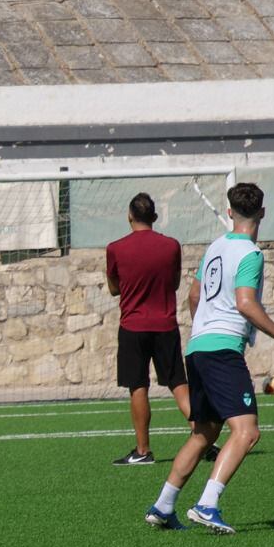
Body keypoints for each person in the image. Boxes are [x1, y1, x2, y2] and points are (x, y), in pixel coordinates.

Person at [145, 183, 274, 534]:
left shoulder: (215, 247)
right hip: (222, 350)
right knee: (247, 432)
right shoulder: (251, 254)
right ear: (262, 213)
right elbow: (245, 302)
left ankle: (164, 506)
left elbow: (195, 295)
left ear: (229, 213)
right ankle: (207, 504)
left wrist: (203, 327)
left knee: (204, 432)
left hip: (197, 347)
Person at [105, 193, 199, 466]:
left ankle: (143, 451)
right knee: (178, 384)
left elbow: (113, 288)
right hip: (165, 324)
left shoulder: (115, 248)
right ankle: (203, 436)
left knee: (138, 386)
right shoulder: (171, 246)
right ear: (155, 218)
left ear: (129, 216)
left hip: (133, 326)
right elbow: (173, 283)